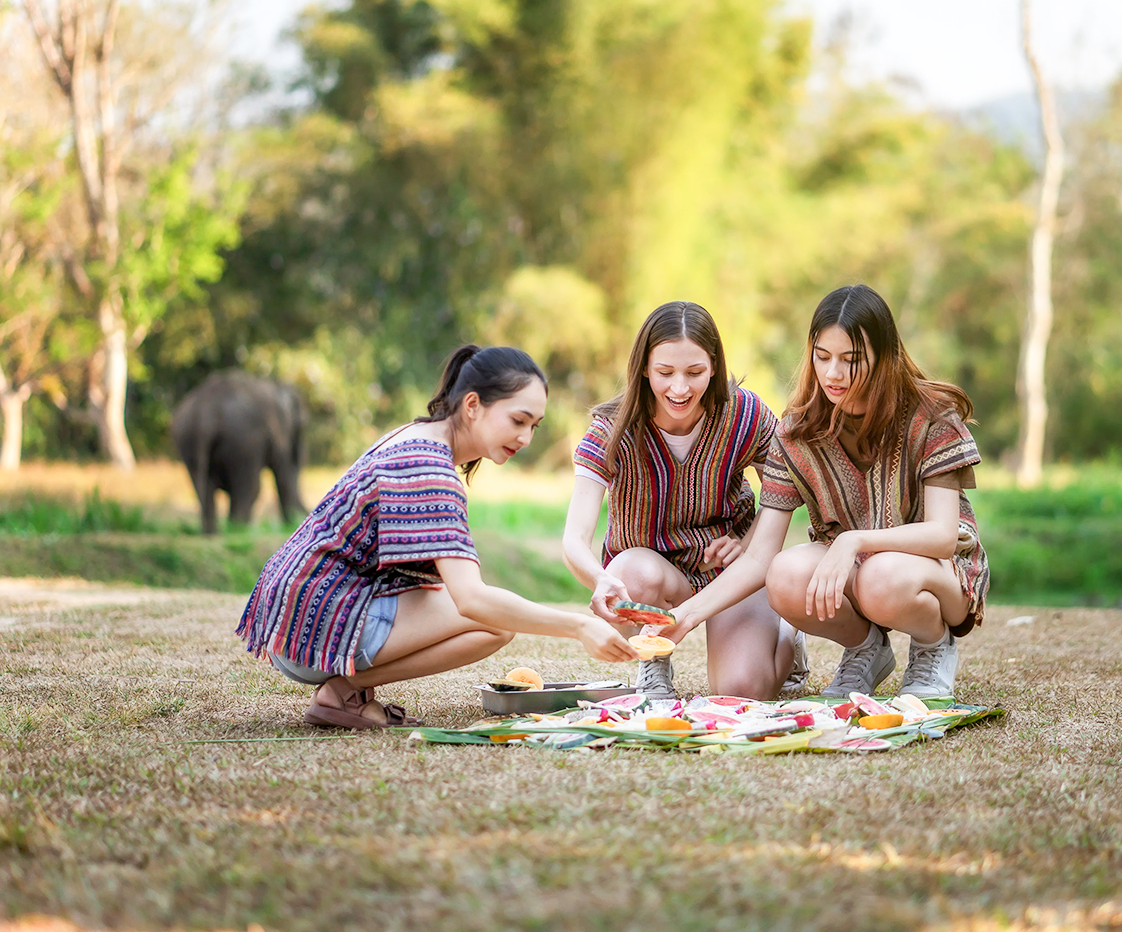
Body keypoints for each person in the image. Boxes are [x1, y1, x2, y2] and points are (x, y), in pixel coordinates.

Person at [237, 345, 636, 729]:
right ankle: (343, 691)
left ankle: (348, 690)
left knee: (476, 608)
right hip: (316, 624)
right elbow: (472, 599)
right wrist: (580, 627)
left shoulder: (416, 436)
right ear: (473, 405)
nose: (526, 439)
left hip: (296, 612)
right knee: (493, 624)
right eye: (518, 421)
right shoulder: (429, 470)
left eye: (534, 425)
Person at [657, 285, 988, 700]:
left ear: (885, 357)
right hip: (852, 568)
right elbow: (760, 556)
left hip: (936, 573)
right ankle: (866, 649)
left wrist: (855, 540)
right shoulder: (798, 432)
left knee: (881, 577)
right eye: (823, 356)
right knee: (783, 574)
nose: (833, 374)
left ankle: (933, 645)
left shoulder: (930, 416)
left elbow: (942, 536)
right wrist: (686, 615)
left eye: (851, 360)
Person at [561, 302, 807, 700]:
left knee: (742, 690)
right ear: (644, 368)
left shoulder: (745, 415)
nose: (680, 388)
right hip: (653, 574)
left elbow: (781, 502)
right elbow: (574, 538)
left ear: (714, 365)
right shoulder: (611, 429)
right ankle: (652, 662)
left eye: (694, 373)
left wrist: (745, 544)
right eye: (665, 373)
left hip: (730, 574)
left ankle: (787, 635)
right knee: (632, 576)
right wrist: (600, 579)